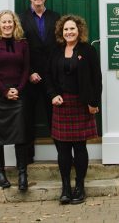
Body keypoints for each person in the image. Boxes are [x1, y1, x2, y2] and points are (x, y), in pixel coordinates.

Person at [44, 14, 102, 206]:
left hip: (81, 103)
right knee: (62, 149)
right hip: (61, 104)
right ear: (62, 32)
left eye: (72, 29)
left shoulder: (88, 50)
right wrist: (53, 94)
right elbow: (48, 76)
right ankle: (65, 188)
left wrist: (93, 102)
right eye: (66, 29)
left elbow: (96, 79)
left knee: (79, 147)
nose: (69, 32)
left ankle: (80, 186)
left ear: (79, 31)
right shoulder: (55, 51)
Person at [0, 9, 31, 191]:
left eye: (10, 22)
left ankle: (22, 174)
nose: (7, 25)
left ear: (15, 24)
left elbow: (26, 69)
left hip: (18, 93)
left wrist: (18, 89)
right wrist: (4, 91)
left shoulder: (23, 44)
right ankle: (0, 174)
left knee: (20, 136)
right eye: (3, 22)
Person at [17, 0, 60, 166]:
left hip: (52, 75)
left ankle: (62, 154)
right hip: (30, 77)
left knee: (56, 116)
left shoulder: (55, 17)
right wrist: (29, 72)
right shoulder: (21, 18)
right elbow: (20, 49)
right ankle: (27, 157)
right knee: (28, 117)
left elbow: (59, 45)